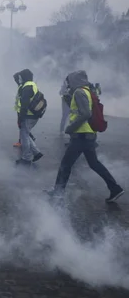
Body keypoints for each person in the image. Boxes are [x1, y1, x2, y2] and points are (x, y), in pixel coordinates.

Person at [47, 71, 123, 203]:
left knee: (66, 164)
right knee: (94, 164)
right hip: (88, 135)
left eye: (69, 81)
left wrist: (70, 128)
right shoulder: (86, 90)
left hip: (81, 136)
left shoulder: (79, 92)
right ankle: (115, 188)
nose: (68, 84)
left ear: (75, 80)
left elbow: (85, 113)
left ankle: (58, 193)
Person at [13, 69, 43, 166]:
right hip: (32, 114)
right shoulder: (31, 84)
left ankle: (26, 158)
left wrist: (21, 117)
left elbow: (24, 104)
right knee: (25, 134)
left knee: (24, 136)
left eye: (21, 76)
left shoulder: (27, 87)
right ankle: (36, 152)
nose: (20, 78)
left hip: (28, 115)